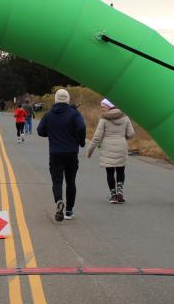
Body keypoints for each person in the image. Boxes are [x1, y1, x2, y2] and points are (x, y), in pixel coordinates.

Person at [37, 88, 86, 221]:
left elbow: (40, 131)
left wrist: (51, 133)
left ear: (56, 99)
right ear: (68, 99)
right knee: (71, 181)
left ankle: (59, 200)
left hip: (55, 152)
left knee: (57, 181)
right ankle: (69, 211)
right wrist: (81, 141)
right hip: (71, 152)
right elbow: (81, 127)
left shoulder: (49, 115)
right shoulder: (74, 114)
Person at [86, 98, 136, 204]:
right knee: (120, 170)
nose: (102, 109)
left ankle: (113, 195)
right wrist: (122, 137)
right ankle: (120, 192)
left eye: (103, 106)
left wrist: (90, 150)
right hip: (121, 146)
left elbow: (97, 138)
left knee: (110, 172)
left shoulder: (104, 119)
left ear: (109, 106)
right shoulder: (125, 117)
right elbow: (131, 133)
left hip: (107, 147)